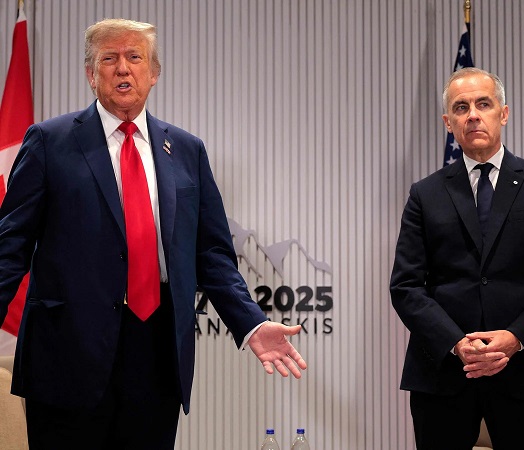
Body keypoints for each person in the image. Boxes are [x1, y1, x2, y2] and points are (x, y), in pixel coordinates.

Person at [0, 18, 307, 449]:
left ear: (154, 72)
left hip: (157, 355)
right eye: (109, 58)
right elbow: (9, 247)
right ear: (91, 74)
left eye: (134, 57)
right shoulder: (50, 141)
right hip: (67, 355)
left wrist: (252, 324)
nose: (123, 68)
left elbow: (212, 255)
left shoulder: (186, 150)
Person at [390, 67, 524, 449]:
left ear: (503, 113)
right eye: (461, 108)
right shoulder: (424, 194)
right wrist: (457, 344)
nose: (473, 115)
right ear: (448, 123)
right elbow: (406, 286)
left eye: (483, 104)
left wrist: (514, 339)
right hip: (443, 376)